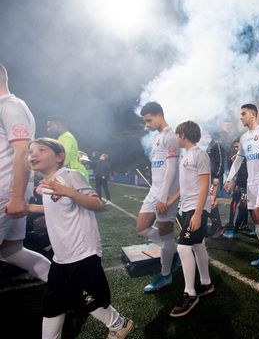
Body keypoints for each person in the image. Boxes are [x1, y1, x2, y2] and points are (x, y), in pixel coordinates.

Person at [27, 138, 133, 339]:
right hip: (62, 255)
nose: (33, 154)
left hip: (82, 251)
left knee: (87, 298)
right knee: (52, 304)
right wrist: (24, 208)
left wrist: (66, 190)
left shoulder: (69, 176)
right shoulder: (45, 185)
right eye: (30, 151)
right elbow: (53, 209)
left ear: (59, 157)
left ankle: (119, 324)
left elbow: (96, 203)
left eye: (41, 149)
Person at [0, 63, 50, 284]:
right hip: (9, 192)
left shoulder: (9, 107)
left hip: (5, 192)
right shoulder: (11, 106)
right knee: (12, 251)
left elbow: (22, 151)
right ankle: (70, 292)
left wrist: (17, 197)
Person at [224, 104, 259, 274]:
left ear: (253, 115)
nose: (241, 117)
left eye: (243, 114)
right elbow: (238, 160)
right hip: (251, 182)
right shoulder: (243, 138)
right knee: (255, 218)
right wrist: (229, 178)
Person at [169, 121, 214, 317]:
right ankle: (206, 283)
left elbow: (205, 185)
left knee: (183, 247)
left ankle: (190, 293)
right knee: (197, 245)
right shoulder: (185, 156)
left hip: (196, 209)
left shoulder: (199, 154)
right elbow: (185, 186)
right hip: (187, 207)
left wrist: (197, 213)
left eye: (177, 134)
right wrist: (171, 200)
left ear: (183, 135)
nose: (175, 137)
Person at [136, 102, 181, 293]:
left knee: (165, 233)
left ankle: (165, 275)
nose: (147, 125)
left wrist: (164, 198)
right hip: (154, 191)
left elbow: (171, 169)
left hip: (167, 193)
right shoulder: (158, 138)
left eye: (149, 120)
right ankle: (176, 249)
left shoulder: (171, 136)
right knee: (141, 228)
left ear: (159, 115)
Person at [46, 115, 89, 181]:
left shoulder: (66, 137)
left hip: (75, 176)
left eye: (50, 126)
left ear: (58, 125)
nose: (48, 129)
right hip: (71, 175)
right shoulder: (62, 137)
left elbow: (64, 159)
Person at [223, 139, 249, 238]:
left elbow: (247, 173)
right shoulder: (237, 157)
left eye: (238, 146)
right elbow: (234, 172)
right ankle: (231, 224)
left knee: (244, 207)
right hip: (239, 184)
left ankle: (242, 226)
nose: (236, 149)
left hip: (247, 186)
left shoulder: (248, 157)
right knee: (234, 204)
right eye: (235, 147)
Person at [206, 133, 226, 238]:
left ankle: (218, 227)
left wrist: (216, 177)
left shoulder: (216, 145)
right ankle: (215, 226)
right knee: (209, 201)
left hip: (214, 178)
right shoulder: (208, 146)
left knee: (211, 201)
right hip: (207, 178)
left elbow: (221, 162)